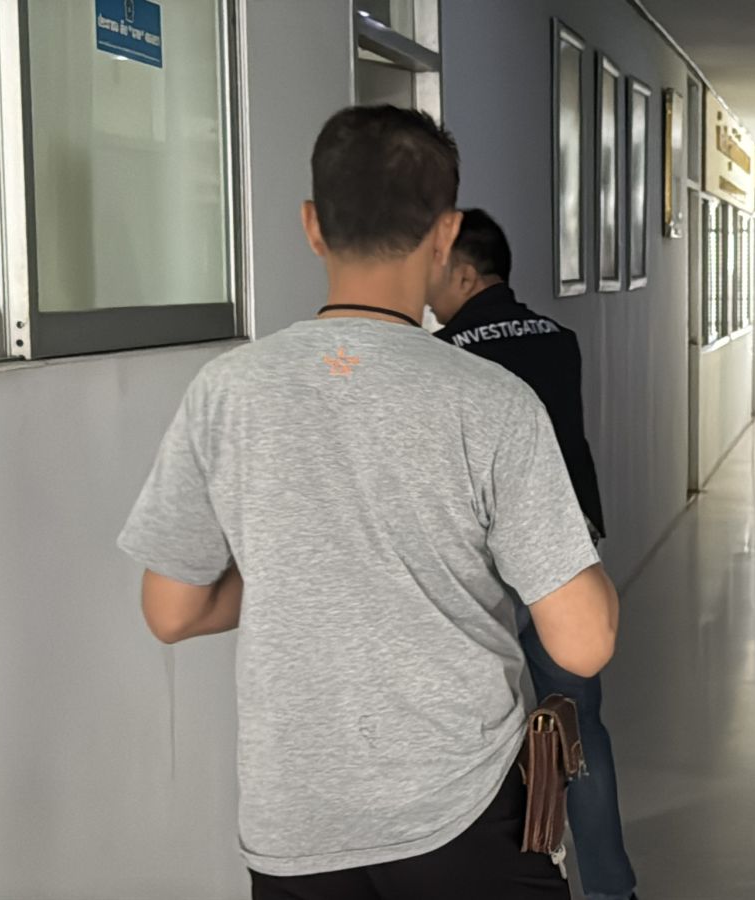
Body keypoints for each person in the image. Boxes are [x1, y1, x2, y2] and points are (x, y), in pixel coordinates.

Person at [118, 106, 619, 900]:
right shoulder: (491, 401)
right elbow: (583, 642)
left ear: (312, 226)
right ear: (446, 233)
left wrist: (303, 560)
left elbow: (171, 610)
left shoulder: (227, 391)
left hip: (294, 822)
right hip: (461, 808)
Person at [428, 208, 638, 900]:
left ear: (466, 273)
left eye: (436, 272)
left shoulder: (447, 355)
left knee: (472, 723)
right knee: (575, 720)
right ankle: (609, 888)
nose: (427, 289)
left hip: (487, 563)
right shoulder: (559, 340)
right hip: (563, 554)